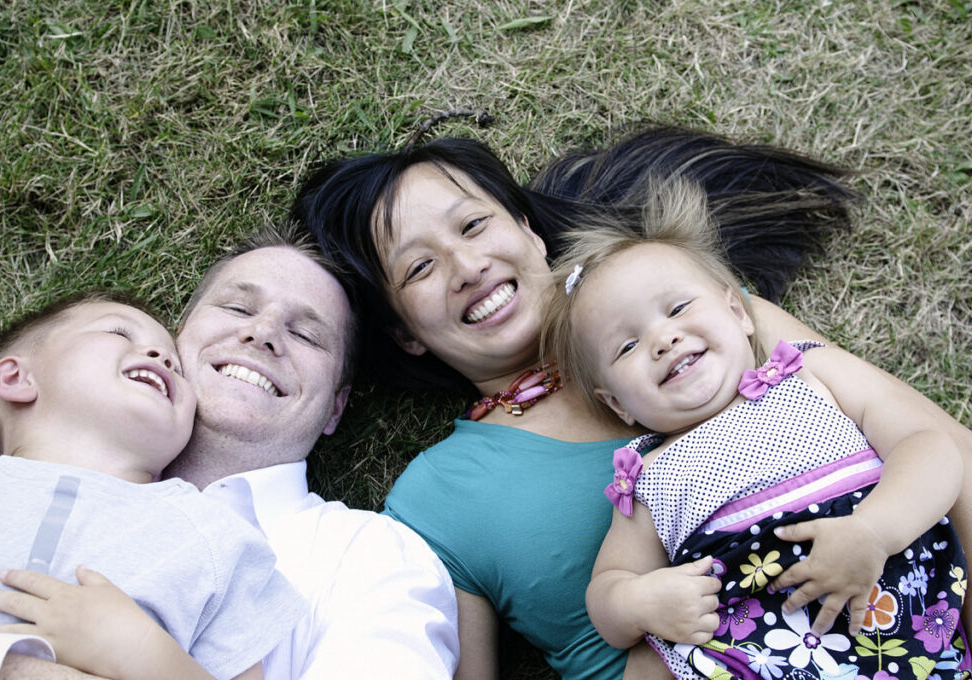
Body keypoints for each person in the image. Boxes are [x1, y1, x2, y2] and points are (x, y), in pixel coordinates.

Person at [292, 125, 972, 680]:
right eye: (419, 267)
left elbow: (945, 452)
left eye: (473, 226)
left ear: (529, 231)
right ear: (403, 332)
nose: (467, 267)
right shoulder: (438, 498)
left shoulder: (712, 326)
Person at [0, 225, 460, 680]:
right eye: (237, 308)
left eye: (307, 334)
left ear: (335, 407)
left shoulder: (367, 556)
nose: (261, 333)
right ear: (178, 339)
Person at [541, 177, 968, 679]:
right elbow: (610, 585)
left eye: (677, 308)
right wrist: (636, 601)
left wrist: (874, 530)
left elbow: (929, 448)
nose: (663, 338)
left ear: (738, 312)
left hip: (893, 626)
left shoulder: (809, 374)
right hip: (746, 654)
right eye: (627, 347)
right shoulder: (647, 473)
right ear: (618, 404)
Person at [0, 291, 305, 680]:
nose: (165, 358)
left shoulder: (216, 540)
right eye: (119, 332)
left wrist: (143, 651)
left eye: (179, 369)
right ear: (18, 378)